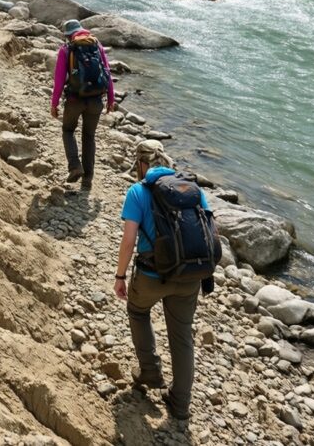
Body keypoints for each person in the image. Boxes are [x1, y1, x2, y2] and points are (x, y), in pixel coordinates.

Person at [113, 139, 211, 421]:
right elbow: (210, 231)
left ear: (142, 164)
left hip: (152, 275)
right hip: (190, 275)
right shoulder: (193, 189)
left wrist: (120, 276)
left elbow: (129, 241)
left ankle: (150, 370)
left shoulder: (137, 191)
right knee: (182, 336)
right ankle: (180, 404)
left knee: (138, 310)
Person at [50, 19, 115, 189]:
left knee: (68, 130)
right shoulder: (96, 46)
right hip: (95, 100)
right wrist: (111, 99)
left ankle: (75, 166)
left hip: (74, 100)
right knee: (89, 136)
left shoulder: (66, 49)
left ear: (68, 35)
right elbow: (107, 72)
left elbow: (58, 81)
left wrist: (54, 104)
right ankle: (88, 180)